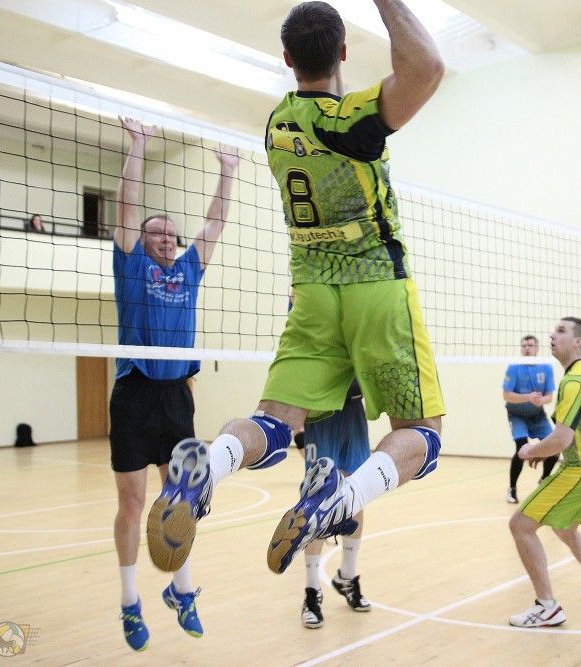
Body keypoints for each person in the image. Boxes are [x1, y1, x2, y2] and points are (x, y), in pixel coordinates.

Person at [146, 0, 446, 583]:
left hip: (310, 291)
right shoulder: (349, 121)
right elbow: (427, 67)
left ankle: (208, 463)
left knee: (275, 422)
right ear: (343, 52)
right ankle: (340, 498)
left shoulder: (278, 125)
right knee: (423, 435)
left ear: (286, 59)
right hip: (375, 286)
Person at [110, 115, 238, 651]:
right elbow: (127, 207)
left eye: (170, 234)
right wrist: (138, 146)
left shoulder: (188, 271)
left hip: (176, 397)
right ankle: (129, 601)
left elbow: (215, 223)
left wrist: (227, 171)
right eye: (155, 233)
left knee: (179, 501)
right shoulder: (131, 266)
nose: (164, 238)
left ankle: (181, 592)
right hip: (134, 393)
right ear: (141, 241)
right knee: (133, 502)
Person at [508, 318, 581, 628]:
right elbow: (570, 433)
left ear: (578, 341)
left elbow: (561, 439)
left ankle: (547, 606)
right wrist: (545, 449)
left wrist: (530, 450)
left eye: (561, 331)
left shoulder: (574, 381)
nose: (552, 335)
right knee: (566, 530)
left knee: (520, 525)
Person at [295, 379, 372, 629]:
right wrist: (297, 429)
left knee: (356, 493)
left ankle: (347, 575)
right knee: (317, 498)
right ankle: (312, 590)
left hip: (353, 410)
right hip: (320, 410)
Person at [503, 335, 556, 504]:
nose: (527, 348)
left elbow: (549, 397)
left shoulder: (546, 367)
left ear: (537, 349)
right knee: (521, 449)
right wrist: (528, 397)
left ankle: (544, 480)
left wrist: (541, 400)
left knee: (554, 448)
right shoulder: (514, 367)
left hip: (538, 416)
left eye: (530, 345)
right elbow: (506, 396)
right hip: (517, 415)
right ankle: (512, 488)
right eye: (524, 345)